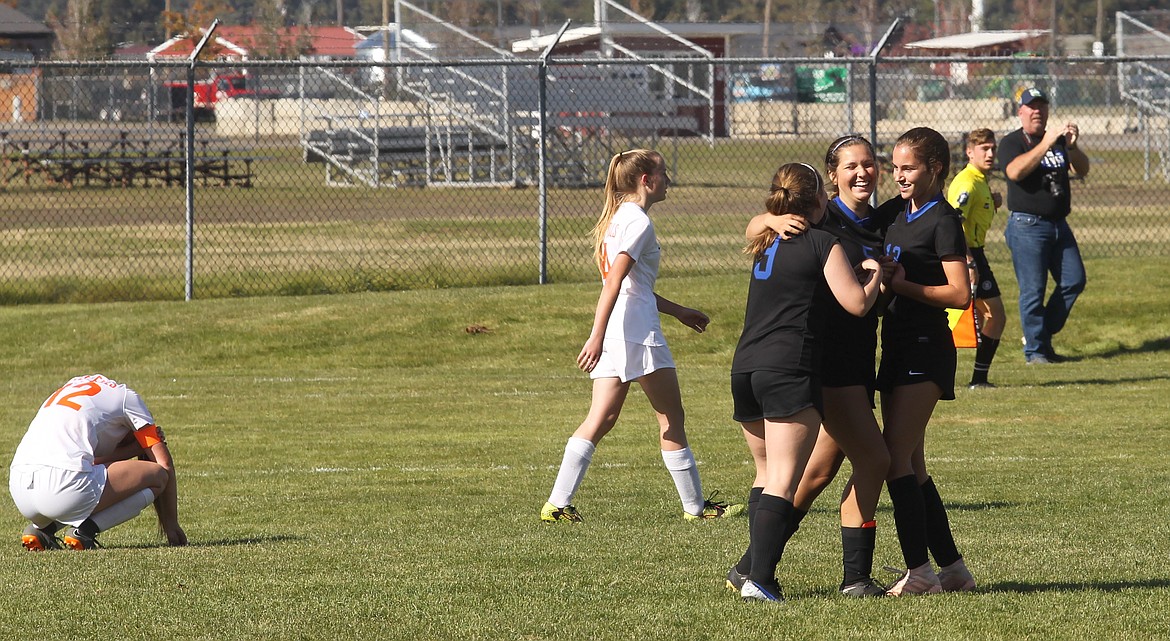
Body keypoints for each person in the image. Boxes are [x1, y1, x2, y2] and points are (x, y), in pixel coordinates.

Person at [732, 136, 895, 598]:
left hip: (747, 364)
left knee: (781, 475)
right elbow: (856, 303)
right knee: (810, 473)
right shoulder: (822, 238)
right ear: (824, 190)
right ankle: (769, 578)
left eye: (869, 163)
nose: (863, 173)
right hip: (802, 365)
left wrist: (767, 217)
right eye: (851, 166)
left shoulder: (768, 239)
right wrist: (879, 272)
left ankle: (750, 568)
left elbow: (753, 226)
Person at [540, 149, 741, 523]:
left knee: (601, 418)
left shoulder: (620, 219)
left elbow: (633, 286)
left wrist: (678, 310)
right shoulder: (637, 222)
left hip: (621, 330)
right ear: (646, 180)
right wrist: (595, 336)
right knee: (671, 420)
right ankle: (695, 509)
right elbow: (614, 281)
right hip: (635, 333)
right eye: (663, 172)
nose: (668, 179)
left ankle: (556, 504)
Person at [876, 127, 976, 595]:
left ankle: (919, 571)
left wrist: (903, 287)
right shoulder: (898, 210)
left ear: (934, 168)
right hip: (894, 346)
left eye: (908, 168)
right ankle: (952, 568)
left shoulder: (942, 219)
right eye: (895, 167)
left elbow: (960, 292)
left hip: (925, 348)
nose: (898, 176)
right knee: (912, 464)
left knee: (894, 457)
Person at [9, 374, 187, 550]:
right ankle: (84, 531)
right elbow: (163, 465)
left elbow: (86, 461)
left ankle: (42, 530)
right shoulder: (127, 398)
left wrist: (132, 450)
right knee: (157, 477)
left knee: (76, 480)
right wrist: (171, 525)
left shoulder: (69, 389)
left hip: (20, 488)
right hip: (64, 488)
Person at [999, 87, 1090, 364]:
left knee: (1074, 280)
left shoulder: (1060, 141)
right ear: (1021, 112)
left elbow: (1082, 169)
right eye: (1032, 107)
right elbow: (1014, 172)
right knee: (1033, 290)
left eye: (1042, 107)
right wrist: (1046, 144)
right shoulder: (1012, 142)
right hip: (1027, 225)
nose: (1038, 111)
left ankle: (1040, 333)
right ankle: (1036, 352)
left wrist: (1071, 146)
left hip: (1058, 224)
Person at [948, 128, 1007, 387]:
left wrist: (992, 201)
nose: (991, 153)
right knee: (995, 316)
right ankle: (978, 379)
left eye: (993, 148)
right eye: (984, 149)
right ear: (969, 152)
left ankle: (977, 378)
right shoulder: (967, 183)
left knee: (983, 317)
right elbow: (953, 224)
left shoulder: (980, 180)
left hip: (975, 252)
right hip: (969, 254)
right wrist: (969, 261)